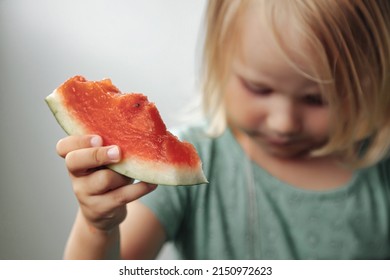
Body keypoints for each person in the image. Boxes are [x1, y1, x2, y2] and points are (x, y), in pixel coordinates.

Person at [56, 0, 390, 259]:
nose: (283, 122)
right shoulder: (194, 168)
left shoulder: (381, 172)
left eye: (318, 99)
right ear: (220, 58)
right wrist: (97, 227)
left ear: (370, 80)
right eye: (259, 89)